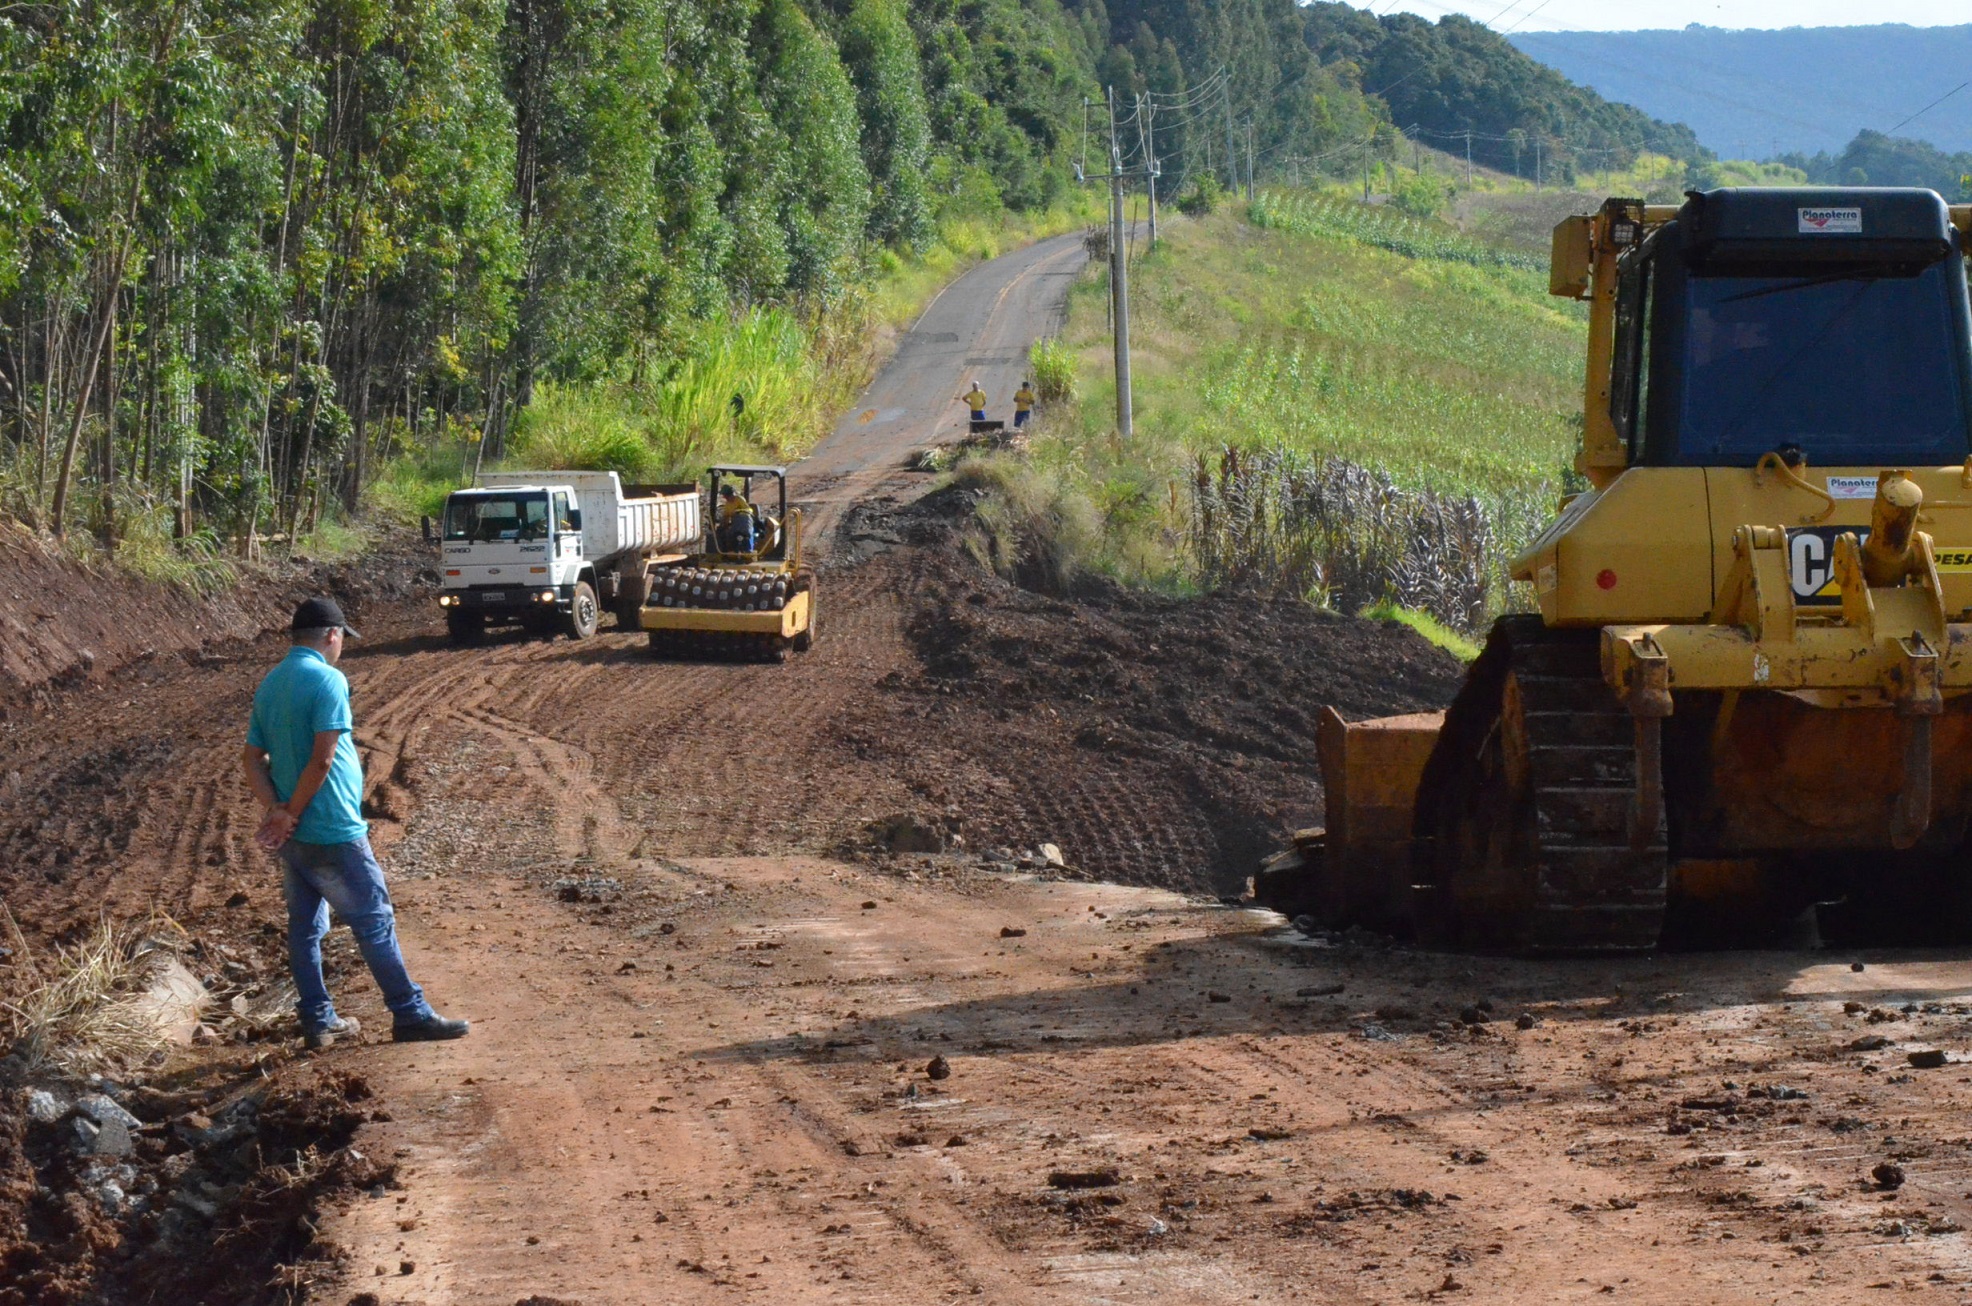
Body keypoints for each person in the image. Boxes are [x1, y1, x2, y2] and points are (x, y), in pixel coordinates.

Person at [242, 597, 468, 1049]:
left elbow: (251, 759)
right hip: (332, 828)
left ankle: (318, 1021)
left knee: (305, 928)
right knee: (375, 921)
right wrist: (293, 811)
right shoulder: (328, 680)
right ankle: (410, 1014)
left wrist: (278, 811)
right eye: (342, 638)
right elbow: (322, 759)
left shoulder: (270, 683)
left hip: (296, 834)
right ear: (332, 635)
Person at [718, 483, 756, 552]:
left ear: (731, 494)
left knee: (745, 531)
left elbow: (748, 509)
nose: (726, 498)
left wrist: (739, 511)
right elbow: (726, 515)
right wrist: (723, 524)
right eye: (725, 496)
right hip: (735, 523)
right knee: (726, 533)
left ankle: (748, 550)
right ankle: (729, 550)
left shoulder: (739, 499)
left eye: (727, 496)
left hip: (745, 520)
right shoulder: (727, 504)